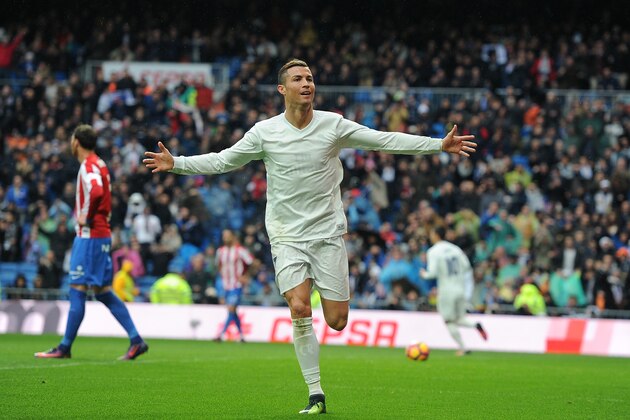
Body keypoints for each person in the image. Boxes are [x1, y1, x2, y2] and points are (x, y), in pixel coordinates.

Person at [144, 59, 476, 414]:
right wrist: (177, 163)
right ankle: (315, 393)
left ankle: (321, 318)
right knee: (299, 307)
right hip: (286, 235)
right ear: (282, 89)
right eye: (298, 79)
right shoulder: (264, 132)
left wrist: (438, 145)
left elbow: (383, 140)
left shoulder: (333, 125)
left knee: (337, 321)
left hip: (327, 234)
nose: (307, 83)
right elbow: (224, 161)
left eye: (310, 78)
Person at [35, 124, 148, 360]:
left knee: (77, 288)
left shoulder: (88, 167)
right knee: (102, 291)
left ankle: (64, 347)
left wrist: (85, 215)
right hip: (101, 235)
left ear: (76, 142)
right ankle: (136, 340)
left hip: (90, 237)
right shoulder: (100, 163)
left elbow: (96, 191)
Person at [421, 227, 487, 356]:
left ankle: (463, 348)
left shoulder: (433, 251)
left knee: (449, 321)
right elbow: (467, 266)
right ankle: (475, 324)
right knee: (460, 318)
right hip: (460, 288)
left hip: (446, 291)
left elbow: (432, 273)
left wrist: (424, 274)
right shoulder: (455, 249)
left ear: (435, 235)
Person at [214, 229, 254, 342]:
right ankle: (241, 336)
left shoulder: (240, 250)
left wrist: (246, 276)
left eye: (227, 235)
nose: (225, 238)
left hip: (236, 284)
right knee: (233, 311)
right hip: (225, 284)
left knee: (231, 308)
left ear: (232, 237)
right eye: (223, 236)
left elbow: (252, 263)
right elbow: (218, 266)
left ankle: (221, 335)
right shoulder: (220, 251)